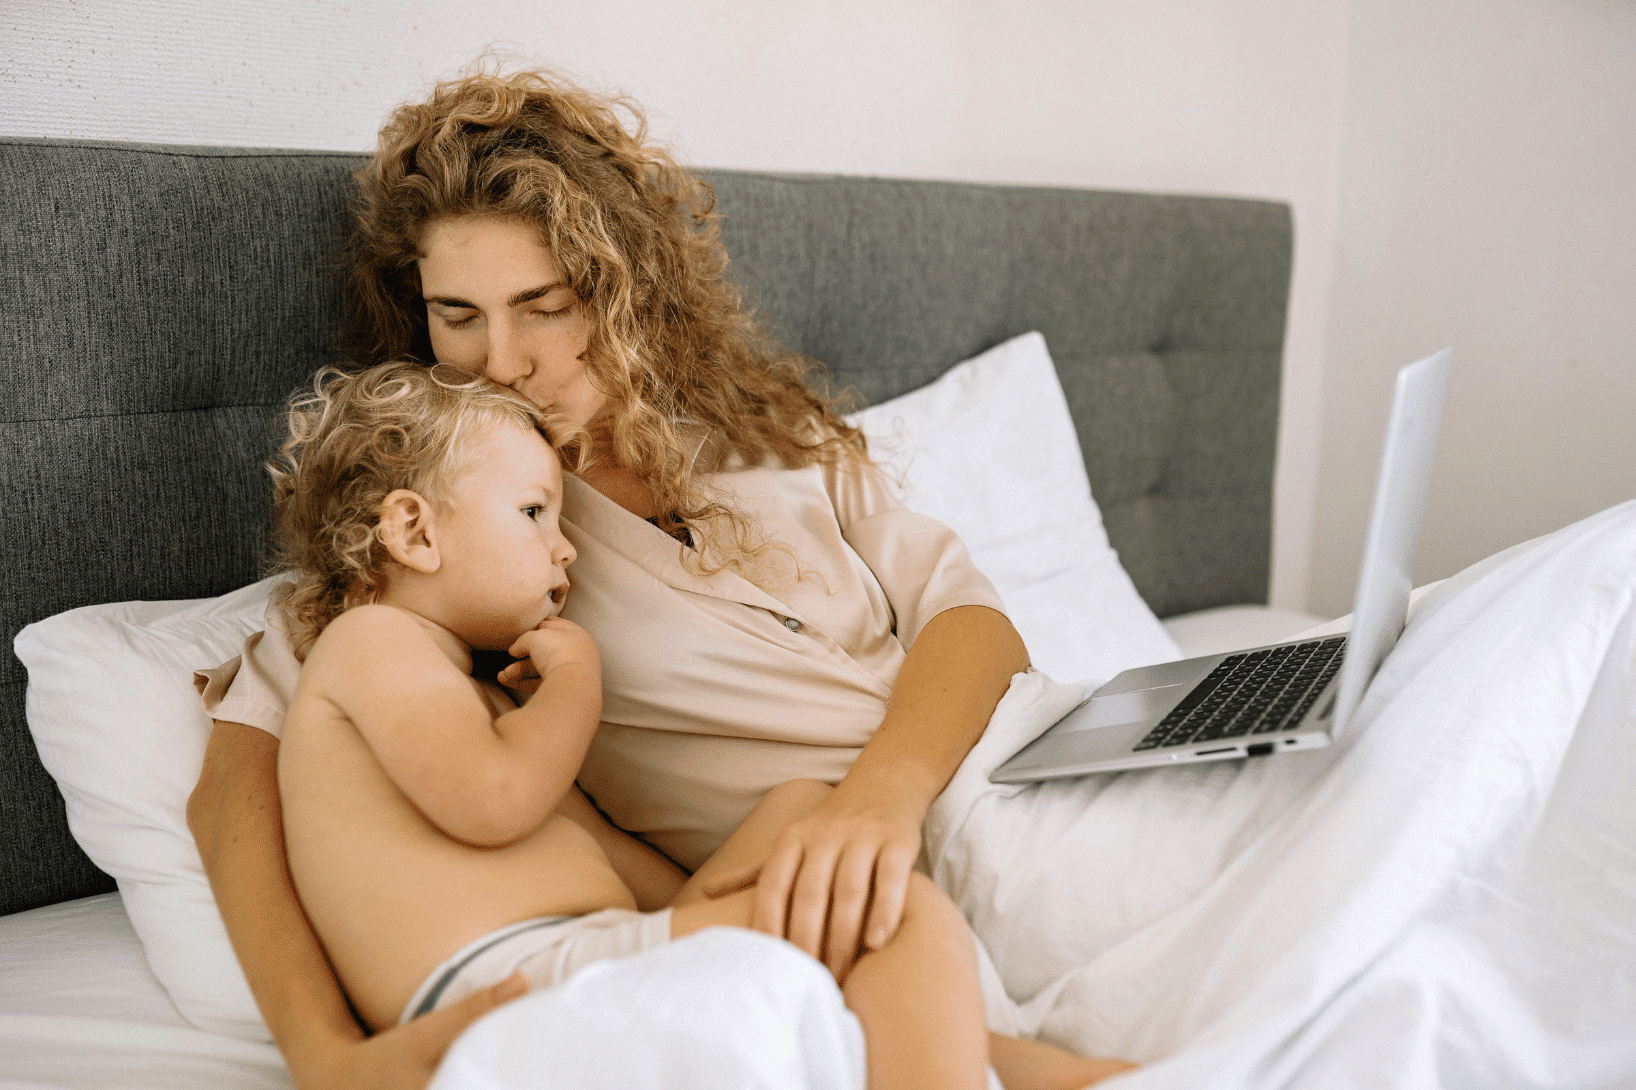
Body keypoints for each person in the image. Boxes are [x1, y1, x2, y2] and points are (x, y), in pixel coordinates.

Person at [189, 68, 1034, 1089]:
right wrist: (327, 1056)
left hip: (992, 769)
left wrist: (879, 798)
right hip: (893, 874)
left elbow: (974, 619)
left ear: (623, 288)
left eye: (543, 305)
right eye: (457, 316)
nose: (500, 361)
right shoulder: (455, 539)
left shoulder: (763, 435)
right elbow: (234, 791)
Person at [267, 360, 1129, 1090]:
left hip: (592, 947)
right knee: (896, 918)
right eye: (534, 514)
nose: (566, 550)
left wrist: (744, 889)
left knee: (801, 812)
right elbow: (495, 800)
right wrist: (577, 683)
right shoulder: (371, 645)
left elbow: (604, 859)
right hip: (512, 981)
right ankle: (1004, 1067)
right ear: (414, 530)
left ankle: (993, 1061)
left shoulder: (465, 695)